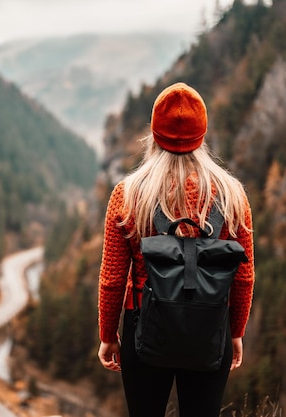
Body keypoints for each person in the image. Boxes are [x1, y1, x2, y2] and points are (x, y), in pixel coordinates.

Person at [97, 82, 255, 417]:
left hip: (144, 329)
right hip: (210, 327)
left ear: (154, 132)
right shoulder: (231, 196)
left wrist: (108, 335)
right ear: (202, 132)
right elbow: (244, 277)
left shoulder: (128, 195)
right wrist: (236, 332)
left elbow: (113, 278)